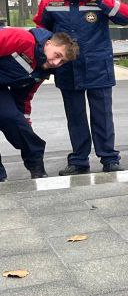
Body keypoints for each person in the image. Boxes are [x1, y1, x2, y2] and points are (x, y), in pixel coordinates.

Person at [34, 0, 128, 175]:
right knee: (75, 116)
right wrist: (49, 56)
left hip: (98, 66)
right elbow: (41, 29)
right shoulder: (50, 2)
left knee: (102, 115)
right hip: (67, 68)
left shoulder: (98, 1)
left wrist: (100, 0)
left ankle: (109, 159)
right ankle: (79, 161)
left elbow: (126, 16)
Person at [0, 28, 76, 182]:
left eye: (62, 61)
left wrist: (25, 124)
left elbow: (23, 99)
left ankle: (37, 167)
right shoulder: (22, 39)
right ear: (48, 43)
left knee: (15, 121)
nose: (56, 62)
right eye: (57, 55)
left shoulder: (39, 72)